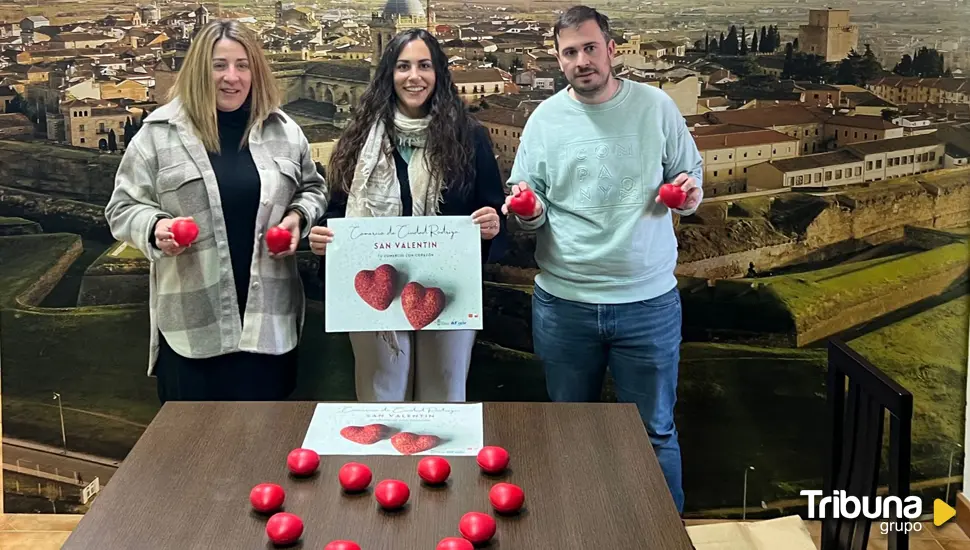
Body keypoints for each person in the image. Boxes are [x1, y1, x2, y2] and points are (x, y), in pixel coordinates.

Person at [501, 6, 703, 514]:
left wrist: (685, 193)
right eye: (570, 52)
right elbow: (530, 212)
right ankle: (580, 532)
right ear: (558, 59)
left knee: (655, 433)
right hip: (564, 303)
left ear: (611, 49)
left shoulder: (656, 107)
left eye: (590, 48)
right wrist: (525, 211)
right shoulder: (544, 120)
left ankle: (664, 538)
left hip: (648, 303)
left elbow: (691, 181)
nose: (582, 60)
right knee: (570, 430)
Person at [104, 20, 328, 403]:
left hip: (269, 327)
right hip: (192, 328)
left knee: (265, 451)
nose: (232, 77)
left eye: (242, 65)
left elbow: (314, 188)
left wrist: (297, 219)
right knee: (195, 454)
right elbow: (122, 208)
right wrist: (156, 226)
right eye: (218, 65)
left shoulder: (285, 131)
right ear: (197, 70)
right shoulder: (157, 135)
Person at [308, 28, 506, 403]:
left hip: (447, 290)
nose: (414, 76)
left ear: (438, 74)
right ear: (389, 74)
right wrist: (322, 233)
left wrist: (492, 224)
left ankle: (440, 465)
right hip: (371, 288)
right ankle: (386, 466)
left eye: (424, 66)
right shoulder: (358, 137)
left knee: (444, 395)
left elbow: (493, 206)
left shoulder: (469, 136)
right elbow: (337, 208)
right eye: (403, 66)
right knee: (380, 393)